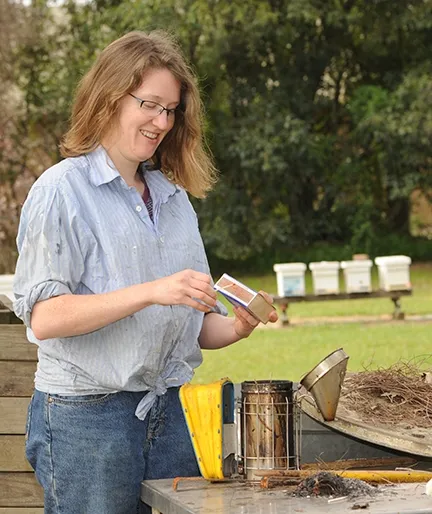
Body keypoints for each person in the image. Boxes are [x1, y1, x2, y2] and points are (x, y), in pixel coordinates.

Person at [13, 30, 278, 514]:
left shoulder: (174, 200)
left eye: (171, 110)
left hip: (174, 413)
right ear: (111, 96)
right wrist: (153, 291)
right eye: (150, 105)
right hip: (88, 420)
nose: (162, 121)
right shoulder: (61, 191)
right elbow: (45, 318)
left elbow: (197, 327)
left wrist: (237, 326)